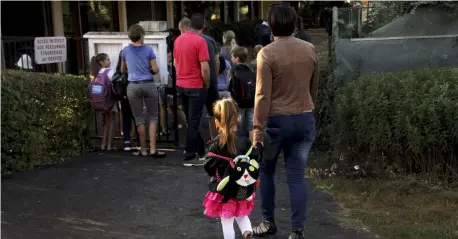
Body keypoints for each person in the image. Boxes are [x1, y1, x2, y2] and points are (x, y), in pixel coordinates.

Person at [251, 3, 320, 239]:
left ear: (271, 26)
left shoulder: (267, 53)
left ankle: (268, 222)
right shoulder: (310, 49)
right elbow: (314, 87)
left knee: (267, 172)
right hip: (304, 117)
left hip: (275, 122)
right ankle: (297, 231)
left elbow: (262, 96)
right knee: (297, 177)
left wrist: (257, 130)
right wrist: (308, 108)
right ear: (294, 24)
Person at [203, 98, 258, 239]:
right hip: (242, 187)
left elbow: (209, 166)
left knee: (227, 221)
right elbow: (255, 159)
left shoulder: (216, 143)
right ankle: (247, 233)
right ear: (238, 119)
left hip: (225, 189)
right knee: (242, 216)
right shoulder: (245, 141)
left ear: (216, 122)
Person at [120, 24, 166, 158]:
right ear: (141, 35)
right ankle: (153, 149)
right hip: (148, 84)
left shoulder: (125, 51)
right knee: (153, 117)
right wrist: (149, 70)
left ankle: (143, 149)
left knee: (139, 119)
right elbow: (156, 69)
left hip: (133, 86)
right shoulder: (148, 50)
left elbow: (122, 70)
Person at [174, 16, 210, 166]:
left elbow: (175, 63)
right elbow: (205, 67)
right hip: (196, 85)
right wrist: (206, 84)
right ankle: (190, 155)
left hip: (181, 84)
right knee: (194, 121)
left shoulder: (178, 40)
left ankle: (201, 151)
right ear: (202, 27)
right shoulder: (200, 41)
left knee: (191, 120)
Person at [90, 53, 118, 151]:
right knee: (112, 121)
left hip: (100, 101)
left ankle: (103, 145)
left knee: (105, 122)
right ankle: (109, 145)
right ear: (102, 62)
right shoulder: (110, 72)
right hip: (110, 100)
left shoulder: (95, 74)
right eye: (108, 59)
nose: (109, 61)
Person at [114, 50, 140, 152]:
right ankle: (139, 142)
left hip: (124, 96)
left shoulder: (118, 71)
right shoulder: (134, 68)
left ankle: (127, 142)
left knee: (125, 118)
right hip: (134, 95)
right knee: (137, 118)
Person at [228, 47, 256, 139]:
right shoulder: (250, 69)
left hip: (238, 103)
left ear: (237, 58)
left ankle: (237, 147)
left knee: (237, 125)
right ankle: (253, 148)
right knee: (251, 126)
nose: (231, 59)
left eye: (232, 57)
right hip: (251, 102)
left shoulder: (232, 70)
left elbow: (229, 87)